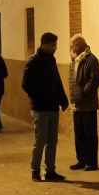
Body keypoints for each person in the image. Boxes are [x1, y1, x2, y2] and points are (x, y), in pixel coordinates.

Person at [22, 31, 69, 182]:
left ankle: (50, 170)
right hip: (40, 108)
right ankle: (35, 170)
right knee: (40, 140)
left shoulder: (51, 61)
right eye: (53, 45)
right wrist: (38, 96)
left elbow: (57, 81)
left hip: (52, 107)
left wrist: (62, 100)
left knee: (52, 141)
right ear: (45, 44)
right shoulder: (33, 62)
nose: (55, 47)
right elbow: (25, 84)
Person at [69, 34, 99, 170]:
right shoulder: (75, 60)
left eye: (73, 45)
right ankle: (81, 159)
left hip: (88, 104)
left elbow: (95, 79)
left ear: (79, 45)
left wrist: (84, 92)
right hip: (77, 104)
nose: (71, 48)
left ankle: (92, 162)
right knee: (79, 134)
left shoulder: (91, 59)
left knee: (89, 134)